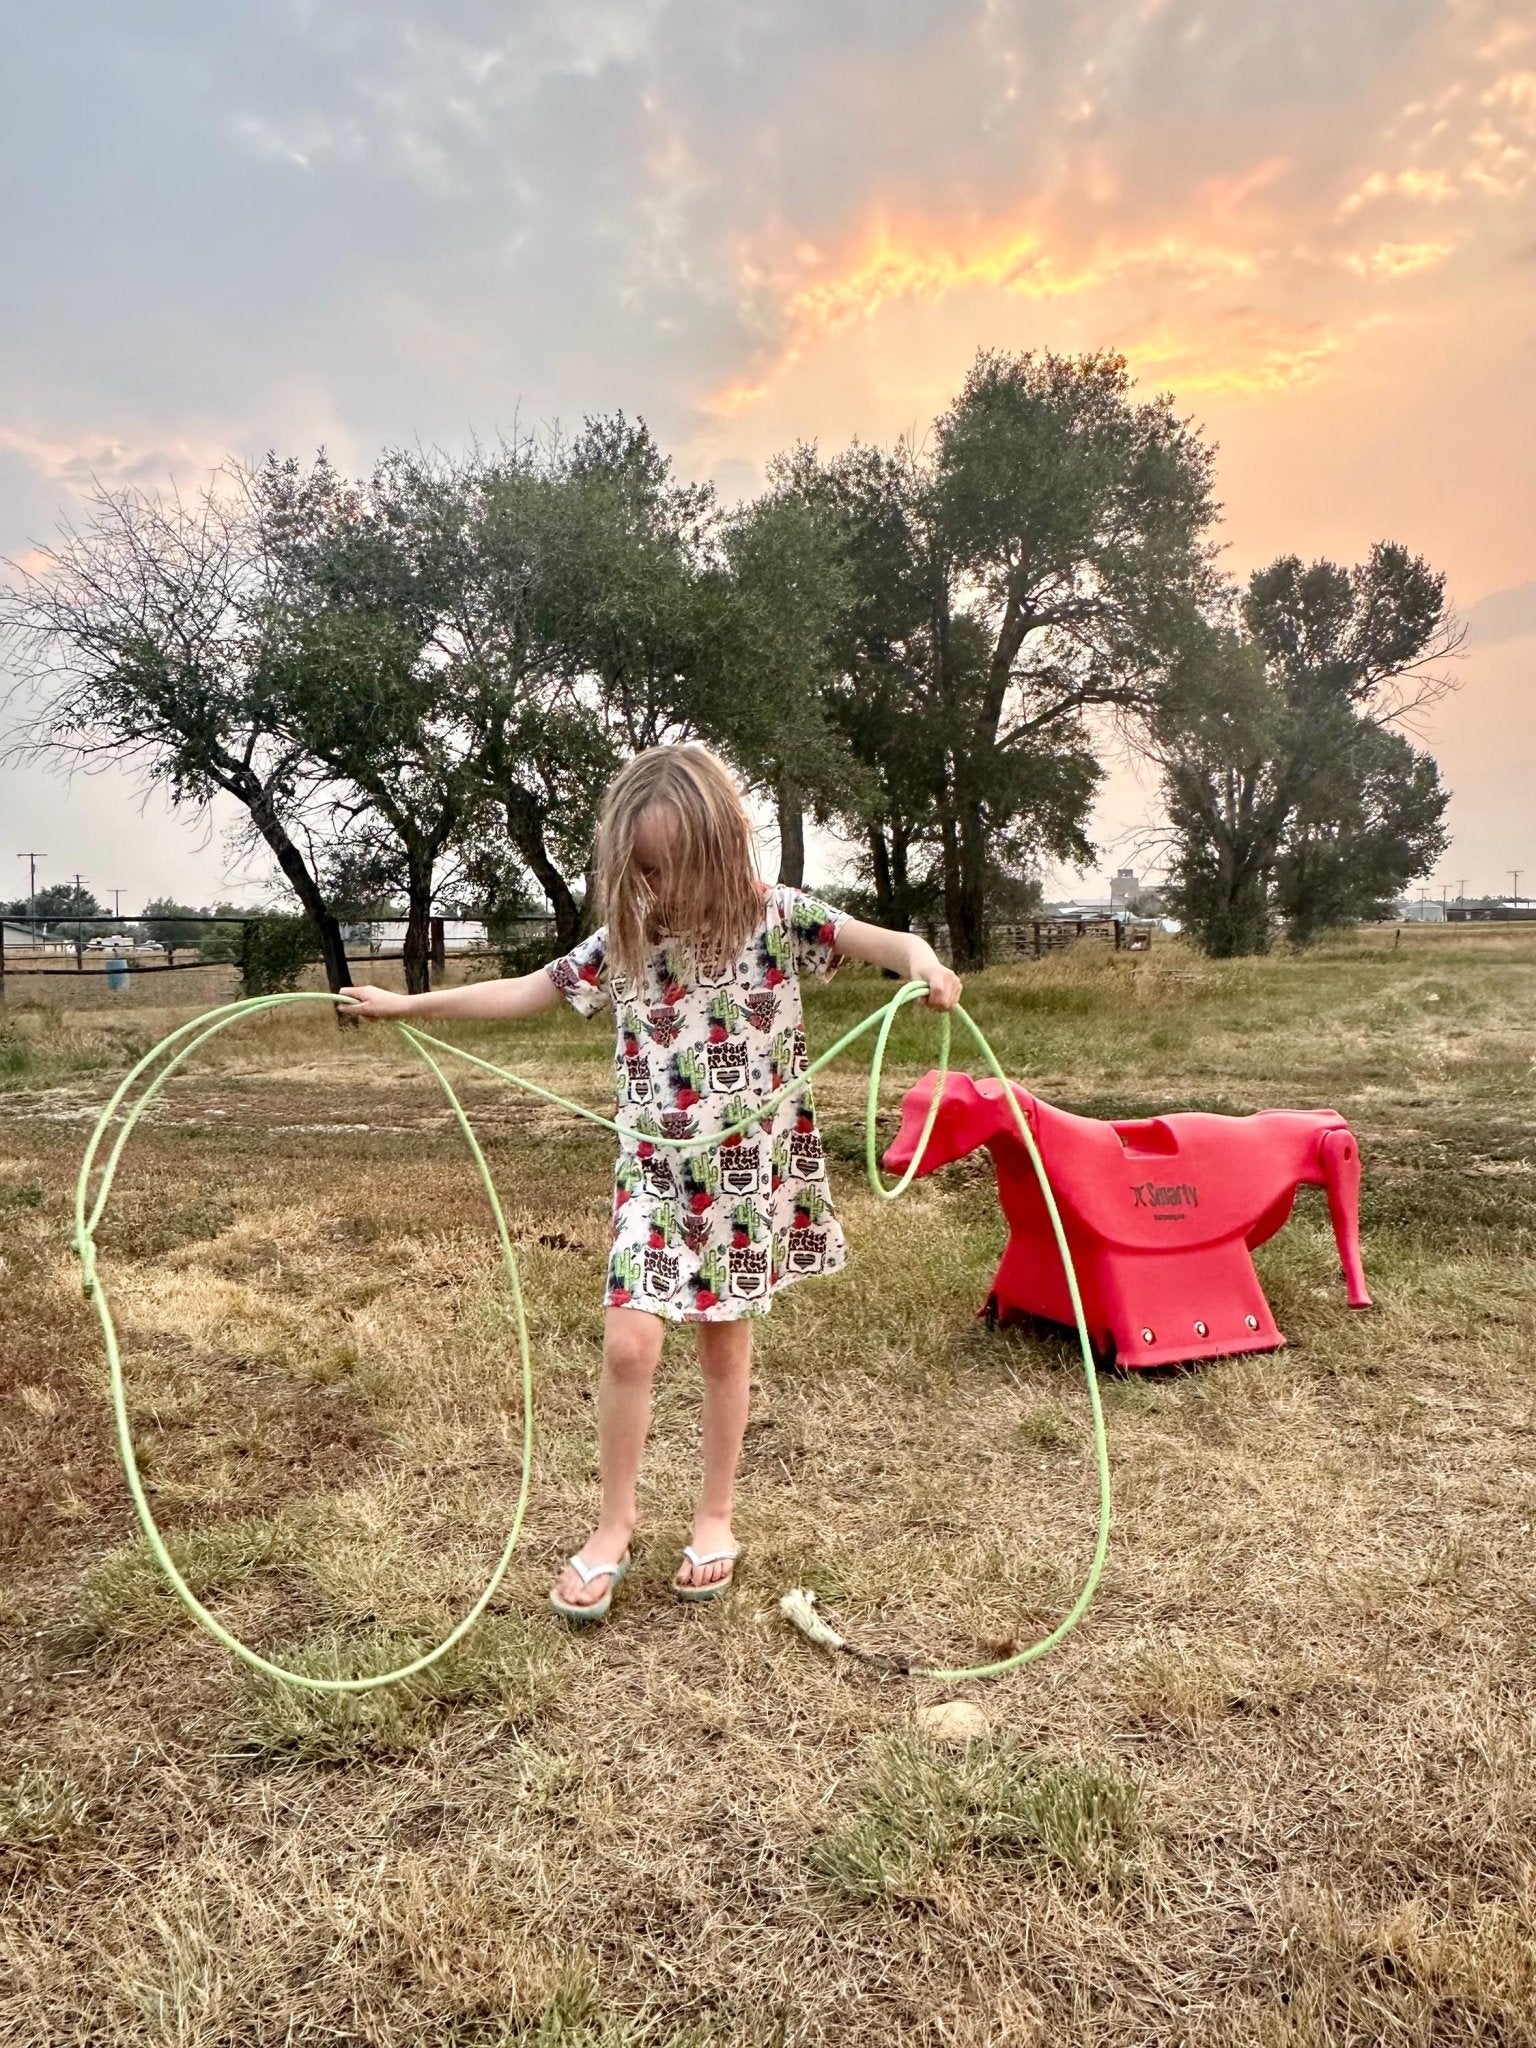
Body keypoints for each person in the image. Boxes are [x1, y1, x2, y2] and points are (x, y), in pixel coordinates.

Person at [341, 744, 961, 1622]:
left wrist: (929, 968)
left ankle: (715, 1517)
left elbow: (887, 942)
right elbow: (527, 991)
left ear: (719, 844)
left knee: (722, 1346)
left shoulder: (781, 918)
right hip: (655, 1178)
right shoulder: (628, 943)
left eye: (673, 865)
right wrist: (408, 1006)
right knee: (630, 1343)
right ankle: (614, 1526)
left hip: (746, 1183)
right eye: (643, 868)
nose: (660, 886)